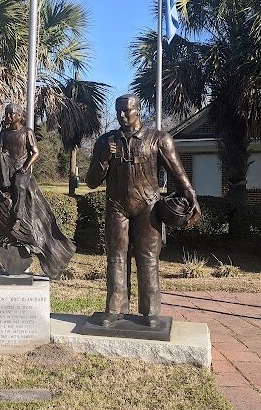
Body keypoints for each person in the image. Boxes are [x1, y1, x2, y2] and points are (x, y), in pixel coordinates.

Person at [86, 94, 200, 328]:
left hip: (148, 207)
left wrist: (191, 196)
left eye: (127, 111)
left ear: (138, 110)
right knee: (116, 257)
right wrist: (104, 159)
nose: (121, 115)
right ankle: (115, 309)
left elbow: (178, 173)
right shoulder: (105, 142)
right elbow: (91, 182)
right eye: (118, 111)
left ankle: (150, 313)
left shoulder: (158, 139)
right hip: (117, 206)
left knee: (148, 258)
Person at [0, 104, 40, 231]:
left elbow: (36, 153)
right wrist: (3, 156)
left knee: (20, 185)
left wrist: (26, 167)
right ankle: (5, 187)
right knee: (0, 155)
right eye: (6, 113)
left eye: (11, 113)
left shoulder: (27, 132)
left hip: (22, 166)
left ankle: (18, 218)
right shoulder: (4, 133)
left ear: (19, 116)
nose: (8, 116)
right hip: (8, 165)